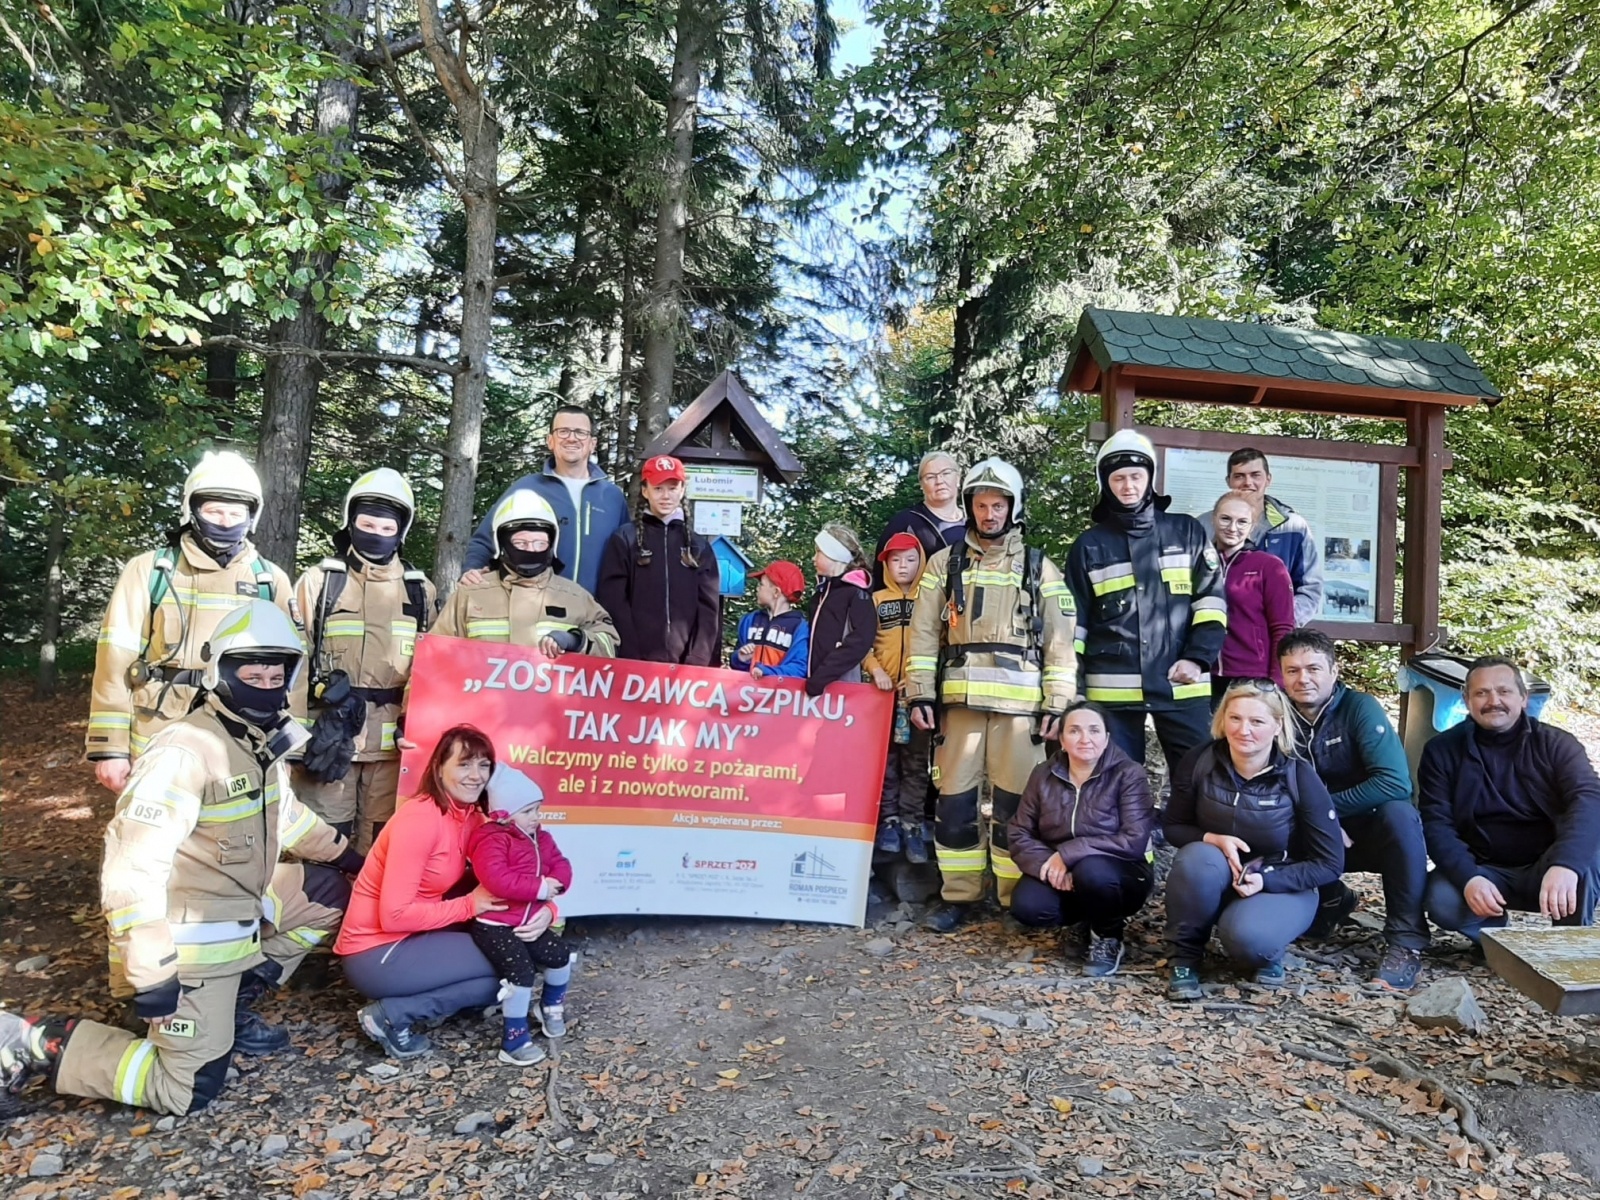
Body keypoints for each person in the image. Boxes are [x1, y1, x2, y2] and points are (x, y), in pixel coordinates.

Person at [1, 601, 361, 1113]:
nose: (265, 681)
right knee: (188, 1088)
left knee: (331, 895)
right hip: (184, 943)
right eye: (250, 670)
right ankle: (31, 1042)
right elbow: (132, 869)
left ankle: (231, 1002)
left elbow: (286, 819)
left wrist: (350, 859)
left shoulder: (256, 743)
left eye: (275, 670)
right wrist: (151, 971)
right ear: (220, 670)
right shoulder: (185, 750)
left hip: (238, 907)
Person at [906, 458, 1077, 932]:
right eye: (980, 505)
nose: (988, 513)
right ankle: (958, 895)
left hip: (1021, 711)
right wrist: (920, 694)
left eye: (997, 504)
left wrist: (1058, 704)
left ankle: (1012, 896)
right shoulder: (944, 564)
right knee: (954, 803)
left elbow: (1061, 643)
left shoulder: (1041, 567)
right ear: (969, 507)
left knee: (1015, 808)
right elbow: (922, 633)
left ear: (1012, 507)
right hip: (958, 708)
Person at [336, 726, 552, 1059]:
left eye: (484, 766)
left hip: (418, 933)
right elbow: (394, 915)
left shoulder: (473, 817)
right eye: (464, 764)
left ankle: (430, 999)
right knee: (509, 965)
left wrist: (548, 910)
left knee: (513, 957)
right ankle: (392, 1015)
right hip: (376, 951)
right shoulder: (420, 819)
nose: (475, 776)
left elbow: (527, 869)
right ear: (439, 768)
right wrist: (470, 905)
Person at [87, 450, 296, 790]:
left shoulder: (270, 580)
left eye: (235, 512)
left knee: (230, 834)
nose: (225, 521)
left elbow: (290, 678)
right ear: (191, 510)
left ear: (251, 516)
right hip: (157, 731)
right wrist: (109, 748)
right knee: (153, 834)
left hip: (240, 735)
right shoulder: (150, 571)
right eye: (214, 511)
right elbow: (115, 661)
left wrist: (286, 752)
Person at [1163, 681, 1344, 1000]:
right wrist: (1212, 838)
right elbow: (1173, 827)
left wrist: (1266, 879)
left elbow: (1329, 864)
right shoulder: (1200, 761)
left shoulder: (1299, 776)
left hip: (1282, 881)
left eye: (1257, 721)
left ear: (1277, 725)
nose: (1243, 730)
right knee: (1195, 858)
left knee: (1249, 943)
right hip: (1215, 874)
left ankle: (1265, 946)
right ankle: (1185, 957)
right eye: (1235, 718)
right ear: (1222, 720)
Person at [294, 469, 436, 853]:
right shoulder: (321, 582)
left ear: (400, 531)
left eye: (385, 526)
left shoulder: (420, 590)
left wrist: (417, 727)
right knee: (322, 839)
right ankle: (318, 911)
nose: (375, 532)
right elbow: (292, 662)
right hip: (329, 740)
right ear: (350, 523)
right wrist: (293, 742)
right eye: (366, 523)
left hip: (392, 752)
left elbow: (433, 672)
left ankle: (372, 914)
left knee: (383, 844)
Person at [1067, 430, 1227, 771]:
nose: (1128, 486)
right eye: (1119, 478)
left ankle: (1189, 829)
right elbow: (1074, 626)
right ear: (1105, 484)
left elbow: (1211, 603)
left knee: (1201, 777)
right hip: (1112, 691)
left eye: (1137, 476)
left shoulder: (1186, 532)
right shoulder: (1089, 545)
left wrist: (1197, 660)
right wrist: (1075, 687)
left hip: (1182, 683)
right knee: (1117, 786)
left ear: (1150, 478)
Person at [1278, 629, 1428, 989]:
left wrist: (1327, 812)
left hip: (1365, 830)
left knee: (1400, 814)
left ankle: (1406, 940)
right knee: (1266, 817)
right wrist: (1320, 820)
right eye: (1292, 670)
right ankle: (1330, 900)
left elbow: (1395, 783)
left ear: (1334, 670)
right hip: (1313, 833)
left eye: (1313, 668)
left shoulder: (1359, 708)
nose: (1303, 679)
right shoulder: (1275, 714)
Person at [1420, 657, 1600, 946]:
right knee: (1441, 898)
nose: (1494, 701)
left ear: (1523, 698)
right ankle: (1498, 942)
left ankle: (1569, 945)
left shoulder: (1557, 744)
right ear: (1466, 700)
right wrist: (1468, 878)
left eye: (1504, 691)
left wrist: (1565, 864)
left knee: (1585, 860)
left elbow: (1589, 800)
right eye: (1482, 693)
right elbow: (1436, 822)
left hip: (1547, 864)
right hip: (1486, 868)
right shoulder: (1441, 751)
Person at [1008, 700, 1155, 976]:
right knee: (1028, 906)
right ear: (1061, 739)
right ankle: (1086, 921)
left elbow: (1134, 840)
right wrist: (1048, 865)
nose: (1085, 738)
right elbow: (1019, 831)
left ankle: (1108, 937)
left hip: (1122, 874)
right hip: (1063, 872)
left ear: (1107, 737)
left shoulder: (1128, 774)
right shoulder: (1043, 774)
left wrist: (1069, 853)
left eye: (1094, 730)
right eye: (1074, 731)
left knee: (1093, 871)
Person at [467, 764, 575, 1065]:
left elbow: (560, 863)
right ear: (504, 813)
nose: (536, 817)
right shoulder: (492, 839)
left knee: (560, 955)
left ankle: (550, 1006)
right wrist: (540, 889)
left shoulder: (541, 836)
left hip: (529, 920)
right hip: (495, 924)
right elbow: (496, 879)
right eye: (528, 811)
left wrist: (560, 883)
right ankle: (513, 1039)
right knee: (521, 974)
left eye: (538, 809)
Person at [462, 405, 628, 596]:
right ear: (550, 441)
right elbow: (485, 540)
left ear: (593, 443)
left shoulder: (612, 497)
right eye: (563, 431)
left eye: (580, 432)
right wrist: (471, 570)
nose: (572, 438)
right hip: (537, 608)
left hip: (596, 613)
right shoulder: (526, 489)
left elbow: (627, 557)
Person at [434, 490, 619, 657]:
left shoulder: (575, 597)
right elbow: (434, 656)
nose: (531, 550)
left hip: (549, 694)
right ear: (503, 545)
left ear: (551, 545)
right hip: (480, 694)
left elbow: (610, 645)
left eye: (540, 543)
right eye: (521, 543)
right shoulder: (471, 593)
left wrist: (575, 640)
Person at [595, 454, 722, 666]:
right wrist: (630, 654)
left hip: (687, 669)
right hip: (634, 663)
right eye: (658, 488)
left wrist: (697, 659)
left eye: (672, 488)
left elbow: (709, 609)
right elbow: (613, 601)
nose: (666, 496)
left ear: (682, 490)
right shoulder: (625, 539)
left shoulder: (699, 546)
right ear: (645, 491)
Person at [864, 532, 931, 862]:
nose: (903, 566)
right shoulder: (875, 600)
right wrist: (876, 670)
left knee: (917, 763)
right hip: (881, 697)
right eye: (895, 559)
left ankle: (912, 824)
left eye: (910, 559)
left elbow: (941, 643)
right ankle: (888, 822)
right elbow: (862, 644)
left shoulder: (931, 599)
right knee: (886, 763)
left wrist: (920, 682)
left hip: (917, 696)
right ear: (886, 564)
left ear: (921, 561)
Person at [1224, 448, 1323, 626]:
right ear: (1228, 481)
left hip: (1276, 637)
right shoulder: (1206, 526)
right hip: (1224, 637)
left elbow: (1310, 588)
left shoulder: (1294, 527)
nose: (1248, 482)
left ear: (1268, 479)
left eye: (1256, 475)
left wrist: (1283, 623)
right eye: (1239, 476)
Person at [1211, 490, 1294, 699]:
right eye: (1225, 519)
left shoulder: (1268, 566)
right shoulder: (1199, 562)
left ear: (1252, 526)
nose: (1232, 528)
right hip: (1203, 673)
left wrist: (1275, 679)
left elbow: (1282, 626)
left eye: (1242, 522)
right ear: (1214, 519)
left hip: (1251, 676)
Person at [871, 451, 965, 587]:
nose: (940, 481)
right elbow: (882, 576)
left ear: (958, 478)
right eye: (930, 477)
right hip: (922, 604)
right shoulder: (904, 523)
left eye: (946, 473)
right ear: (921, 485)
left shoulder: (975, 521)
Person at [806, 524, 877, 696]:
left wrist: (821, 677)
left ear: (834, 555)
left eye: (819, 552)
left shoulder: (856, 594)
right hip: (812, 687)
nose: (813, 559)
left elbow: (859, 642)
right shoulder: (820, 595)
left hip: (841, 690)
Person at [732, 561, 811, 680]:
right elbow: (735, 664)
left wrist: (767, 672)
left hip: (781, 696)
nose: (757, 588)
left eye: (761, 584)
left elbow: (799, 668)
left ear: (776, 592)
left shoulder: (799, 627)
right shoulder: (750, 620)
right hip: (746, 694)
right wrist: (740, 658)